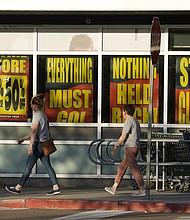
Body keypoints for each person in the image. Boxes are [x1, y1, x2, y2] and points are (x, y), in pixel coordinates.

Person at [5, 94, 60, 196]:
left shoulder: (37, 116)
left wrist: (30, 145)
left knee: (28, 167)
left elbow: (34, 132)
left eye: (31, 104)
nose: (30, 105)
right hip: (44, 145)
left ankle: (18, 187)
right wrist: (23, 138)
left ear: (35, 105)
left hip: (37, 146)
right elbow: (40, 132)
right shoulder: (43, 115)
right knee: (48, 166)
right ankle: (55, 187)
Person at [104, 104, 145, 197]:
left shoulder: (129, 121)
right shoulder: (135, 121)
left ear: (125, 112)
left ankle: (142, 189)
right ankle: (114, 187)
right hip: (133, 146)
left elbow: (124, 135)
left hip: (130, 147)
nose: (122, 113)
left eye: (122, 111)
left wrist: (116, 146)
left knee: (134, 169)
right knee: (122, 167)